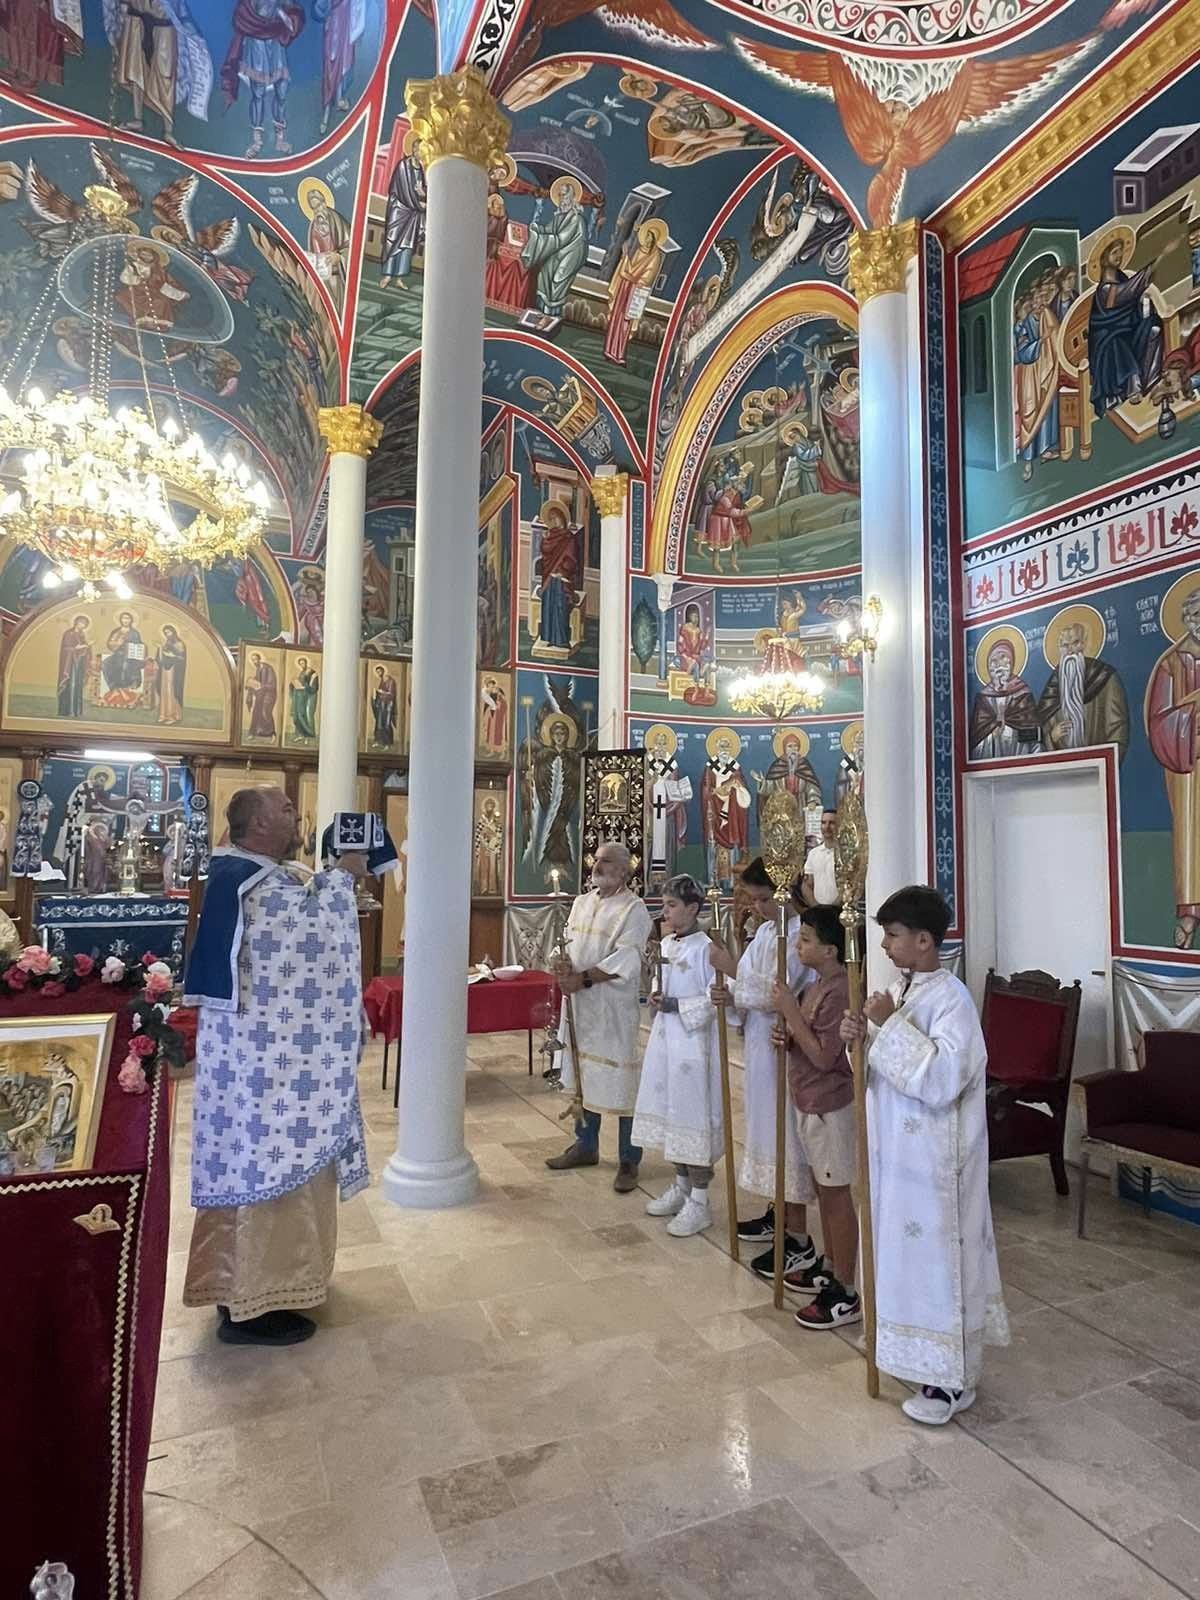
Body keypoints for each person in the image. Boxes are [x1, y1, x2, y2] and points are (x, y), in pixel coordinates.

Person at [182, 787, 371, 1346]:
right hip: (271, 1076)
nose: (296, 814)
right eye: (285, 808)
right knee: (267, 1163)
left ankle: (237, 1287)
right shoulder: (255, 885)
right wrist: (344, 878)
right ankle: (256, 1306)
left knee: (244, 1161)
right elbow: (308, 943)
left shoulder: (246, 876)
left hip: (252, 1064)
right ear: (258, 823)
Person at [840, 885, 1009, 1423]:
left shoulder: (952, 1000)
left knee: (940, 1266)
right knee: (903, 1258)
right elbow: (876, 1072)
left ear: (924, 940)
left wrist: (887, 1026)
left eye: (892, 935)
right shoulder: (900, 989)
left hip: (938, 1164)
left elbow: (942, 1079)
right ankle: (911, 1355)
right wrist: (858, 1041)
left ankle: (952, 1382)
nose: (884, 945)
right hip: (897, 1155)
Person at [710, 857, 816, 1274]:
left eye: (764, 898)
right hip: (759, 1046)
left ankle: (798, 1237)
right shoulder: (767, 932)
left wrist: (732, 971)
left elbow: (777, 991)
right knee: (767, 1133)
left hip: (784, 1047)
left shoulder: (798, 934)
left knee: (784, 1136)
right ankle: (778, 1213)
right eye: (753, 899)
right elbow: (748, 990)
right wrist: (730, 995)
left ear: (785, 892)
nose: (758, 907)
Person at [546, 842, 653, 1192]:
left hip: (612, 1008)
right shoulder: (581, 902)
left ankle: (628, 1159)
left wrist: (584, 979)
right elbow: (566, 942)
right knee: (583, 1072)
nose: (597, 865)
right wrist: (561, 964)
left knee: (622, 1080)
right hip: (580, 1006)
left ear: (624, 870)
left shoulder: (634, 909)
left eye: (606, 861)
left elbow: (627, 958)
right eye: (597, 859)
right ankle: (585, 1145)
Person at [771, 904, 858, 1328]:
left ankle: (846, 1287)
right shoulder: (816, 985)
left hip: (830, 1105)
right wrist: (786, 1034)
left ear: (830, 950)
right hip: (808, 1099)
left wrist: (790, 1012)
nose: (798, 946)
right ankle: (829, 1263)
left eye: (806, 940)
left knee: (837, 1194)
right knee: (824, 1191)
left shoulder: (840, 990)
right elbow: (806, 1041)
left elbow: (825, 1057)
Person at [636, 874, 724, 1238]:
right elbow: (660, 981)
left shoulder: (708, 949)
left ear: (692, 908)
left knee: (692, 1117)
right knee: (671, 1114)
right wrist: (657, 996)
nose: (665, 912)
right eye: (664, 905)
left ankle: (700, 1200)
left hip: (693, 1048)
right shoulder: (666, 944)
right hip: (665, 1042)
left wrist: (677, 1005)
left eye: (672, 905)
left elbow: (717, 996)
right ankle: (682, 1186)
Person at [1037, 620, 1129, 759]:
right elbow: (1039, 735)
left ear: (1084, 643)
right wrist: (1051, 737)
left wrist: (1106, 762)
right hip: (1063, 766)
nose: (1070, 651)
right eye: (1065, 645)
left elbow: (1118, 728)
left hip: (1098, 764)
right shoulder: (1053, 686)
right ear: (1059, 649)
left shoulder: (1104, 677)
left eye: (1075, 643)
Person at [522, 177, 587, 319]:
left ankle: (552, 315)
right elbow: (549, 230)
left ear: (571, 196)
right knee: (543, 273)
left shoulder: (575, 218)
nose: (561, 198)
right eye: (560, 195)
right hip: (559, 253)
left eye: (564, 195)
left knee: (557, 281)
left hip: (570, 256)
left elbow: (561, 239)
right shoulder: (559, 216)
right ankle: (542, 312)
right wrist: (537, 230)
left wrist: (540, 238)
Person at [969, 639, 1041, 759]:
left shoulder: (1023, 693)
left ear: (1011, 661)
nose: (998, 664)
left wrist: (1011, 730)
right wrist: (991, 736)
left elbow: (1034, 735)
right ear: (988, 667)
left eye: (1003, 657)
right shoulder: (983, 699)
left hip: (1021, 756)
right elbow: (975, 742)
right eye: (993, 661)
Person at [380, 134, 427, 287]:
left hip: (412, 214)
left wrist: (422, 193)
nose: (421, 153)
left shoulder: (421, 169)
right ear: (413, 150)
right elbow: (403, 189)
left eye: (423, 151)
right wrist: (419, 205)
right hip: (399, 209)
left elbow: (422, 191)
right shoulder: (403, 166)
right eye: (419, 150)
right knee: (392, 240)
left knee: (407, 245)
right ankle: (387, 275)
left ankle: (399, 278)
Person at [802, 810, 839, 906]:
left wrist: (833, 908)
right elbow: (807, 884)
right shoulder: (813, 854)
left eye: (831, 823)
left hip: (841, 910)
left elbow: (850, 886)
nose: (827, 827)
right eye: (823, 822)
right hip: (818, 910)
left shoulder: (845, 854)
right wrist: (817, 908)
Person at [57, 614, 91, 718]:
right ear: (76, 622)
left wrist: (87, 647)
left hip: (79, 664)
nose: (83, 625)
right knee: (70, 685)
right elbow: (66, 649)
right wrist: (77, 648)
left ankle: (76, 711)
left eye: (85, 624)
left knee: (77, 686)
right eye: (81, 623)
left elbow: (84, 650)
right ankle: (67, 711)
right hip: (70, 664)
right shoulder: (69, 633)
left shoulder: (82, 635)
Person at [157, 625, 187, 725]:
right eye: (165, 633)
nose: (167, 635)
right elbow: (161, 658)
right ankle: (163, 715)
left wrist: (172, 655)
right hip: (165, 669)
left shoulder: (179, 644)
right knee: (164, 691)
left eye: (169, 632)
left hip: (174, 671)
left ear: (174, 632)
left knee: (171, 692)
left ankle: (173, 716)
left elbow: (181, 658)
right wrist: (160, 648)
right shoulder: (166, 643)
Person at [245, 651, 278, 739]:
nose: (254, 662)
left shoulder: (268, 668)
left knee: (265, 712)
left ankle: (272, 733)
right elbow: (257, 681)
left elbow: (272, 685)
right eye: (253, 660)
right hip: (261, 694)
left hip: (269, 695)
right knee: (256, 711)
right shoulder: (258, 669)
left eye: (255, 659)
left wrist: (261, 686)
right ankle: (254, 733)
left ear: (259, 659)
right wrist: (250, 684)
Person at [289, 655, 319, 741]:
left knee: (306, 715)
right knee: (298, 715)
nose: (302, 665)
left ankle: (309, 735)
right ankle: (301, 734)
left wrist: (304, 687)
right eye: (300, 664)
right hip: (300, 697)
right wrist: (293, 684)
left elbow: (313, 688)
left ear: (306, 663)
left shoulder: (312, 673)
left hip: (309, 698)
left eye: (303, 663)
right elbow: (299, 683)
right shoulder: (302, 673)